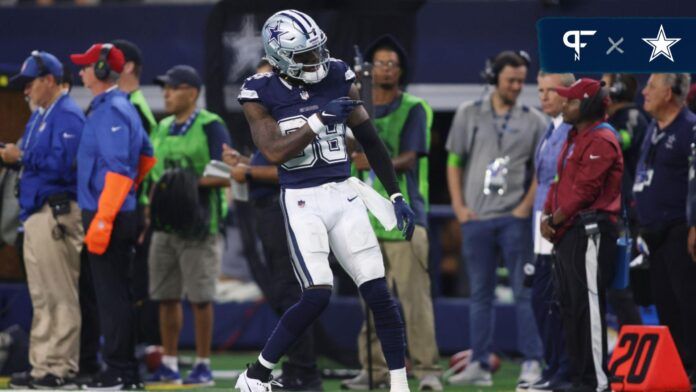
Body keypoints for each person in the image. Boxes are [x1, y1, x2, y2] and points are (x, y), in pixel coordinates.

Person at [234, 9, 415, 392]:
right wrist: (318, 119)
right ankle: (257, 374)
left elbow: (369, 138)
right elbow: (274, 152)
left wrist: (395, 193)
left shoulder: (337, 74)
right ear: (280, 56)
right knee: (317, 293)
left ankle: (400, 387)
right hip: (303, 200)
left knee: (380, 295)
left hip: (344, 193)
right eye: (305, 56)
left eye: (317, 52)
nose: (316, 62)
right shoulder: (259, 91)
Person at [343, 35, 441, 392]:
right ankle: (373, 371)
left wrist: (372, 159)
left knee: (414, 301)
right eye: (378, 63)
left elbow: (411, 157)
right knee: (371, 304)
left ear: (400, 70)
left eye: (391, 64)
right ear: (365, 71)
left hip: (404, 220)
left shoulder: (413, 107)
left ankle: (428, 370)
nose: (384, 69)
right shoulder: (352, 107)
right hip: (362, 221)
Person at [222, 59, 323, 392]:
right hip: (270, 208)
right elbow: (268, 163)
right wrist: (244, 164)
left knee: (292, 291)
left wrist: (248, 173)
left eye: (267, 80)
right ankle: (299, 368)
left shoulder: (292, 118)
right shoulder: (266, 121)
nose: (259, 87)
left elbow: (292, 170)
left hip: (287, 209)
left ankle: (304, 372)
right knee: (285, 292)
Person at [445, 50, 545, 387]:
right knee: (480, 294)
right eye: (510, 80)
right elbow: (454, 162)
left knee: (524, 293)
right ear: (493, 79)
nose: (517, 86)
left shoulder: (534, 120)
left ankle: (532, 361)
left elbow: (542, 170)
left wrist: (525, 207)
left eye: (521, 80)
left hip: (514, 219)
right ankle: (479, 362)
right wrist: (459, 208)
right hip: (476, 218)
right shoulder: (468, 113)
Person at [70, 42, 156, 389]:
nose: (81, 71)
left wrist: (106, 216)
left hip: (108, 214)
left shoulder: (112, 109)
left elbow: (121, 170)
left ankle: (119, 370)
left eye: (87, 66)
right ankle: (123, 370)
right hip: (116, 210)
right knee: (114, 294)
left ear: (103, 71)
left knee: (112, 297)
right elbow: (146, 158)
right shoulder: (114, 106)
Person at [144, 64, 231, 386]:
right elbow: (154, 176)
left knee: (200, 297)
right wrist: (148, 213)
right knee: (166, 295)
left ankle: (203, 363)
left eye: (173, 87)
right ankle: (168, 361)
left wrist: (187, 184)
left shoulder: (211, 125)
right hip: (165, 225)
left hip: (199, 223)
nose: (166, 93)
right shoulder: (162, 127)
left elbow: (224, 173)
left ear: (192, 93)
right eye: (165, 88)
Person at [3, 50, 84, 390]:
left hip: (56, 212)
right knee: (42, 297)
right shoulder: (40, 115)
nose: (26, 90)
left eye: (31, 83)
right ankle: (41, 365)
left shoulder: (67, 114)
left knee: (59, 294)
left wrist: (19, 155)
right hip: (36, 213)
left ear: (49, 80)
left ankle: (60, 367)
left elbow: (66, 165)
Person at [540, 78, 623, 392]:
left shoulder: (601, 139)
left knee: (588, 308)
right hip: (568, 231)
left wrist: (554, 219)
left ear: (586, 105)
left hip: (590, 231)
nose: (564, 105)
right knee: (570, 307)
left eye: (570, 101)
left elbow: (584, 192)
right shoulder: (575, 136)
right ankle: (579, 379)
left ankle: (596, 382)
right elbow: (558, 181)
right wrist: (547, 217)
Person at [634, 73, 696, 387]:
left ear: (668, 93)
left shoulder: (690, 128)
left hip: (680, 228)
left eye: (651, 87)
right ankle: (680, 368)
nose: (644, 91)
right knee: (664, 301)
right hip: (653, 231)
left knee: (688, 300)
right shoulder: (653, 130)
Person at [527, 71, 574, 392]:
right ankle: (553, 365)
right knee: (540, 300)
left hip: (557, 227)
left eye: (551, 91)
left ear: (569, 95)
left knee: (557, 302)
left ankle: (565, 369)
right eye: (540, 90)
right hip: (539, 227)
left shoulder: (573, 132)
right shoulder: (549, 129)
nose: (543, 97)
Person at [601, 73, 646, 327]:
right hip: (616, 213)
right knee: (614, 287)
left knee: (622, 287)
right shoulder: (614, 119)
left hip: (627, 214)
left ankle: (637, 343)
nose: (601, 89)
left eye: (605, 84)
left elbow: (616, 144)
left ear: (616, 89)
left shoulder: (631, 117)